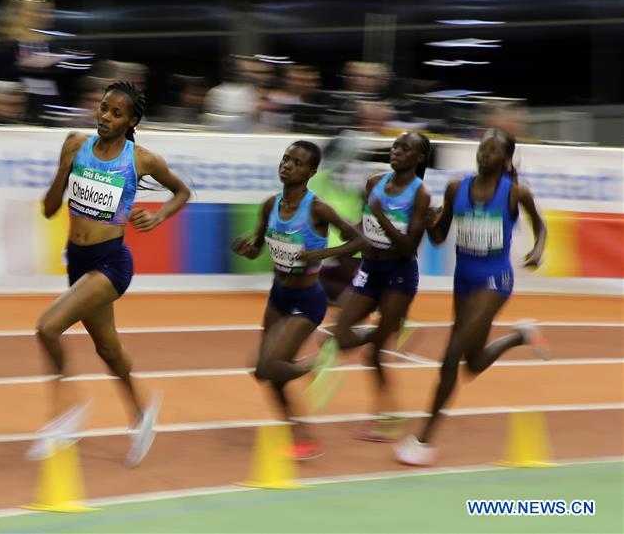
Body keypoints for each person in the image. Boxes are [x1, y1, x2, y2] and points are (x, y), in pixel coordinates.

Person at [29, 81, 191, 467]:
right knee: (108, 349)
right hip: (78, 262)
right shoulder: (75, 144)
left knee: (47, 327)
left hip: (111, 263)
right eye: (103, 108)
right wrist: (65, 167)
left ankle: (65, 413)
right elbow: (50, 209)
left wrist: (158, 216)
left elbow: (181, 192)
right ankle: (142, 412)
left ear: (131, 120)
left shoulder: (141, 160)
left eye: (116, 113)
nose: (105, 116)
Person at [394, 128, 548, 466]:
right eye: (481, 148)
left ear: (505, 159)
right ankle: (521, 336)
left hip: (495, 280)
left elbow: (540, 226)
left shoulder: (515, 194)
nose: (483, 154)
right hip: (463, 280)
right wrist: (430, 221)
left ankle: (423, 442)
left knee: (451, 358)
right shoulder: (455, 189)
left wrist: (537, 251)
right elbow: (438, 238)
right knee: (473, 362)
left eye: (492, 151)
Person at [231, 140, 367, 459]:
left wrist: (322, 252)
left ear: (311, 172)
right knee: (267, 374)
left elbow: (359, 241)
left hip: (307, 300)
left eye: (297, 162)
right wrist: (245, 249)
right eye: (286, 159)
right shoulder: (270, 205)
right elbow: (257, 251)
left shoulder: (317, 208)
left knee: (267, 366)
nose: (287, 165)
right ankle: (301, 436)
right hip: (278, 297)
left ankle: (319, 361)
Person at [330, 132, 432, 442]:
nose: (397, 151)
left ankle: (388, 416)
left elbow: (407, 247)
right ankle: (391, 329)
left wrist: (382, 217)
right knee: (341, 336)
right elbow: (365, 227)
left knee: (372, 355)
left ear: (419, 158)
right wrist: (341, 244)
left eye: (406, 149)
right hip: (370, 269)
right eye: (396, 146)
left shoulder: (420, 195)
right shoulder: (374, 182)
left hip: (399, 275)